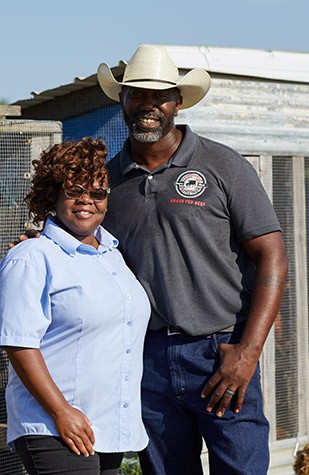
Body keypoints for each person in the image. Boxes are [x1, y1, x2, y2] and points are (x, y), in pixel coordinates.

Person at [94, 45, 289, 474]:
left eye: (158, 96)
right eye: (136, 95)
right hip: (146, 361)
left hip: (221, 353)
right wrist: (37, 240)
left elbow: (272, 256)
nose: (147, 106)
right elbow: (80, 244)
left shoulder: (223, 165)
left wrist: (248, 352)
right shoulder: (107, 183)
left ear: (177, 103)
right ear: (122, 101)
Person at [0, 138, 151, 475]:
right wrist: (61, 411)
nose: (86, 200)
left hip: (105, 427)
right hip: (55, 427)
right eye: (74, 190)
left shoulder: (113, 255)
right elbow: (19, 343)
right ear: (53, 194)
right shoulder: (32, 257)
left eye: (97, 193)